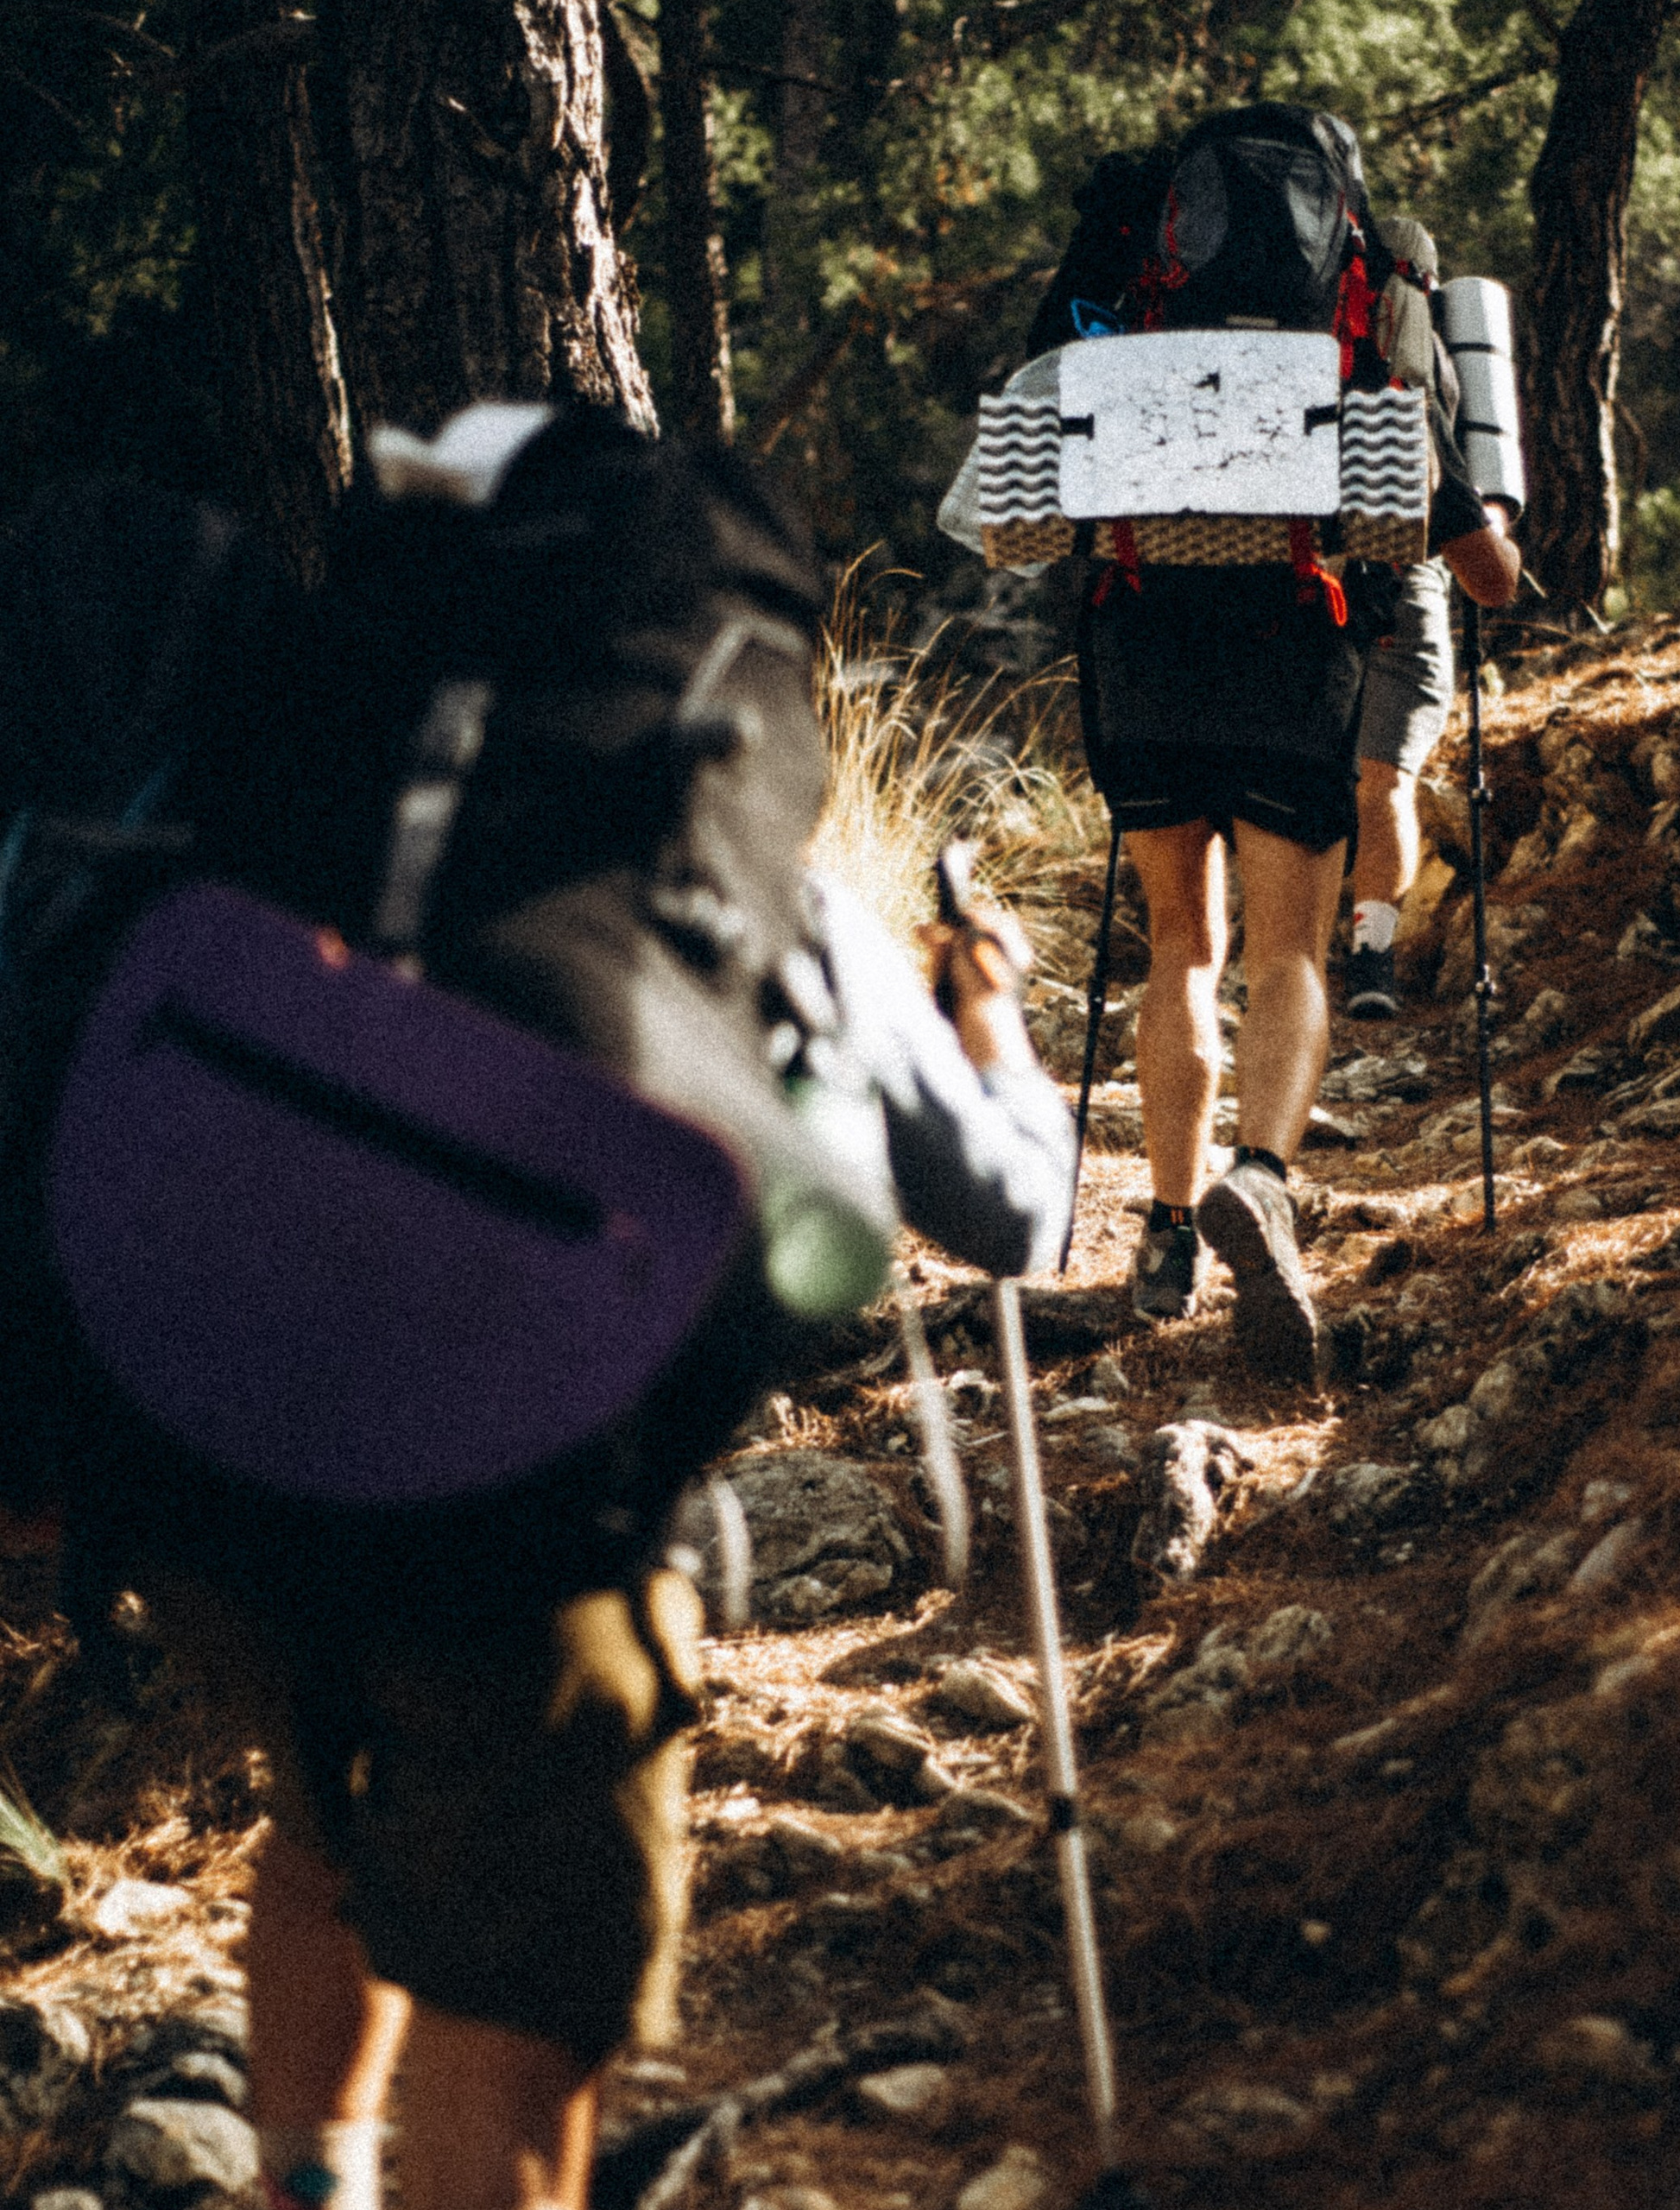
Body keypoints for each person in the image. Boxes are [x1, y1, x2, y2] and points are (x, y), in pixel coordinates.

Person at [9, 417, 1071, 2210]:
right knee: (519, 2004)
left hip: (213, 1447)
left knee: (325, 1804)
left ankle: (309, 2176)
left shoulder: (255, 793)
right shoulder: (768, 905)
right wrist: (996, 1032)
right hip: (529, 1501)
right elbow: (1017, 1210)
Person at [1074, 182, 1521, 1380]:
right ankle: (1259, 1180)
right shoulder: (1362, 338)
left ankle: (1165, 1235)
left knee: (1180, 946)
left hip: (1143, 653)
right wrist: (1493, 531)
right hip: (1289, 652)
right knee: (1288, 955)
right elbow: (1481, 574)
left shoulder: (1130, 309)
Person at [1345, 551, 1456, 1020]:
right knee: (1382, 781)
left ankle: (1358, 954)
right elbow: (1492, 512)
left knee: (1374, 779)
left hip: (1296, 586)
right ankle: (1369, 955)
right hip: (1402, 585)